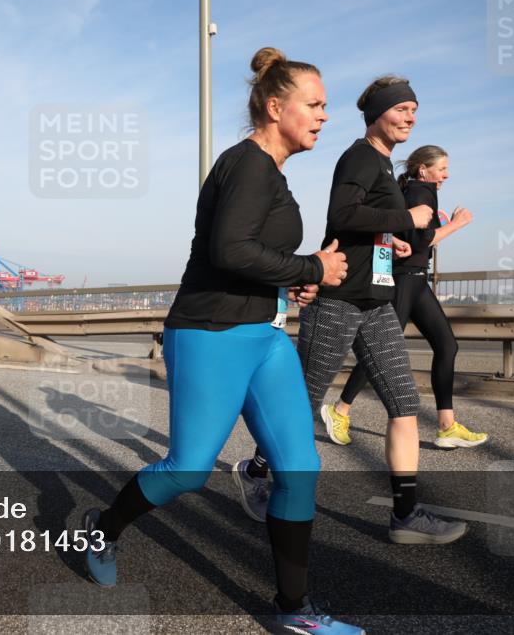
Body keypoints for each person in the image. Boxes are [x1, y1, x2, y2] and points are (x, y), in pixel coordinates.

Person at [81, 48, 364, 634]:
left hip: (264, 335)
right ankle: (101, 530)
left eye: (325, 107)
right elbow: (228, 251)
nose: (323, 116)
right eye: (314, 105)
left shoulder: (275, 175)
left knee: (299, 467)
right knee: (187, 470)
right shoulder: (247, 164)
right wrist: (310, 268)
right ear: (274, 105)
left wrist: (293, 284)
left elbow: (258, 258)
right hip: (210, 333)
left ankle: (294, 613)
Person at [235, 77, 468, 545]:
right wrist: (407, 218)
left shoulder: (383, 166)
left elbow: (369, 223)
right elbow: (343, 215)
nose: (410, 117)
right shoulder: (359, 157)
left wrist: (393, 240)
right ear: (378, 114)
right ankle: (256, 470)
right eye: (401, 108)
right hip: (337, 299)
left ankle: (405, 515)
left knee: (404, 404)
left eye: (414, 110)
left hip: (377, 302)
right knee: (300, 403)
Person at [329, 146, 484, 449]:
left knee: (447, 345)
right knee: (379, 352)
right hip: (403, 281)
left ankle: (447, 425)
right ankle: (339, 410)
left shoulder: (423, 191)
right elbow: (418, 244)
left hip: (416, 281)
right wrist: (457, 224)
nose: (446, 175)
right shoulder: (418, 193)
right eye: (442, 168)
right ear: (423, 169)